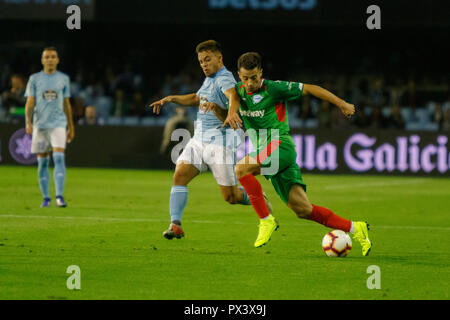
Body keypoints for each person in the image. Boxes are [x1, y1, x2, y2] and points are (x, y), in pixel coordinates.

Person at [224, 52, 371, 256]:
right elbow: (231, 106)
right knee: (303, 209)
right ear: (239, 76)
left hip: (280, 145)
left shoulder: (274, 88)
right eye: (245, 78)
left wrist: (341, 103)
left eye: (254, 78)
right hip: (268, 155)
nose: (250, 83)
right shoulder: (238, 93)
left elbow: (311, 88)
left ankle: (266, 220)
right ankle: (356, 228)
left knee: (241, 169)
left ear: (261, 73)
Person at [149, 40, 271, 240]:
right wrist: (171, 98)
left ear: (219, 58)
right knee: (179, 175)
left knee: (231, 197)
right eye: (200, 61)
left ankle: (257, 198)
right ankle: (175, 224)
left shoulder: (224, 78)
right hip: (198, 140)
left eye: (208, 60)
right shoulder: (208, 80)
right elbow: (197, 99)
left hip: (219, 143)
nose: (204, 64)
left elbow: (233, 96)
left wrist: (231, 113)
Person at [25, 47, 75, 208]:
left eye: (53, 57)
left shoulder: (63, 79)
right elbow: (30, 101)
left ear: (58, 60)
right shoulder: (34, 79)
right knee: (42, 163)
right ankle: (46, 198)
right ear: (42, 60)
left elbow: (67, 104)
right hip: (40, 125)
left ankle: (59, 196)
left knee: (59, 158)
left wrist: (71, 126)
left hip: (58, 124)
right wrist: (28, 121)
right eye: (47, 57)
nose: (50, 59)